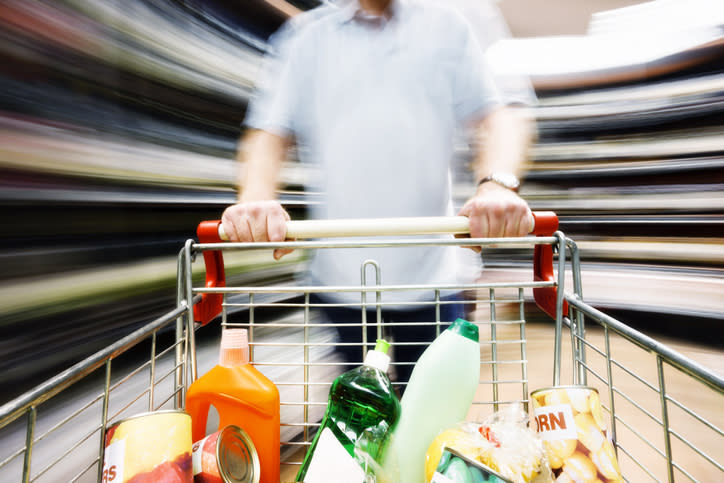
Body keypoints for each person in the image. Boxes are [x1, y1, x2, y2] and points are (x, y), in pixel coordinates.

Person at [221, 0, 534, 384]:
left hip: (433, 280)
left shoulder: (448, 24)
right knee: (357, 422)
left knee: (432, 423)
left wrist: (497, 184)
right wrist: (254, 201)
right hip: (341, 282)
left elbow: (500, 115)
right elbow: (267, 136)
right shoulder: (305, 39)